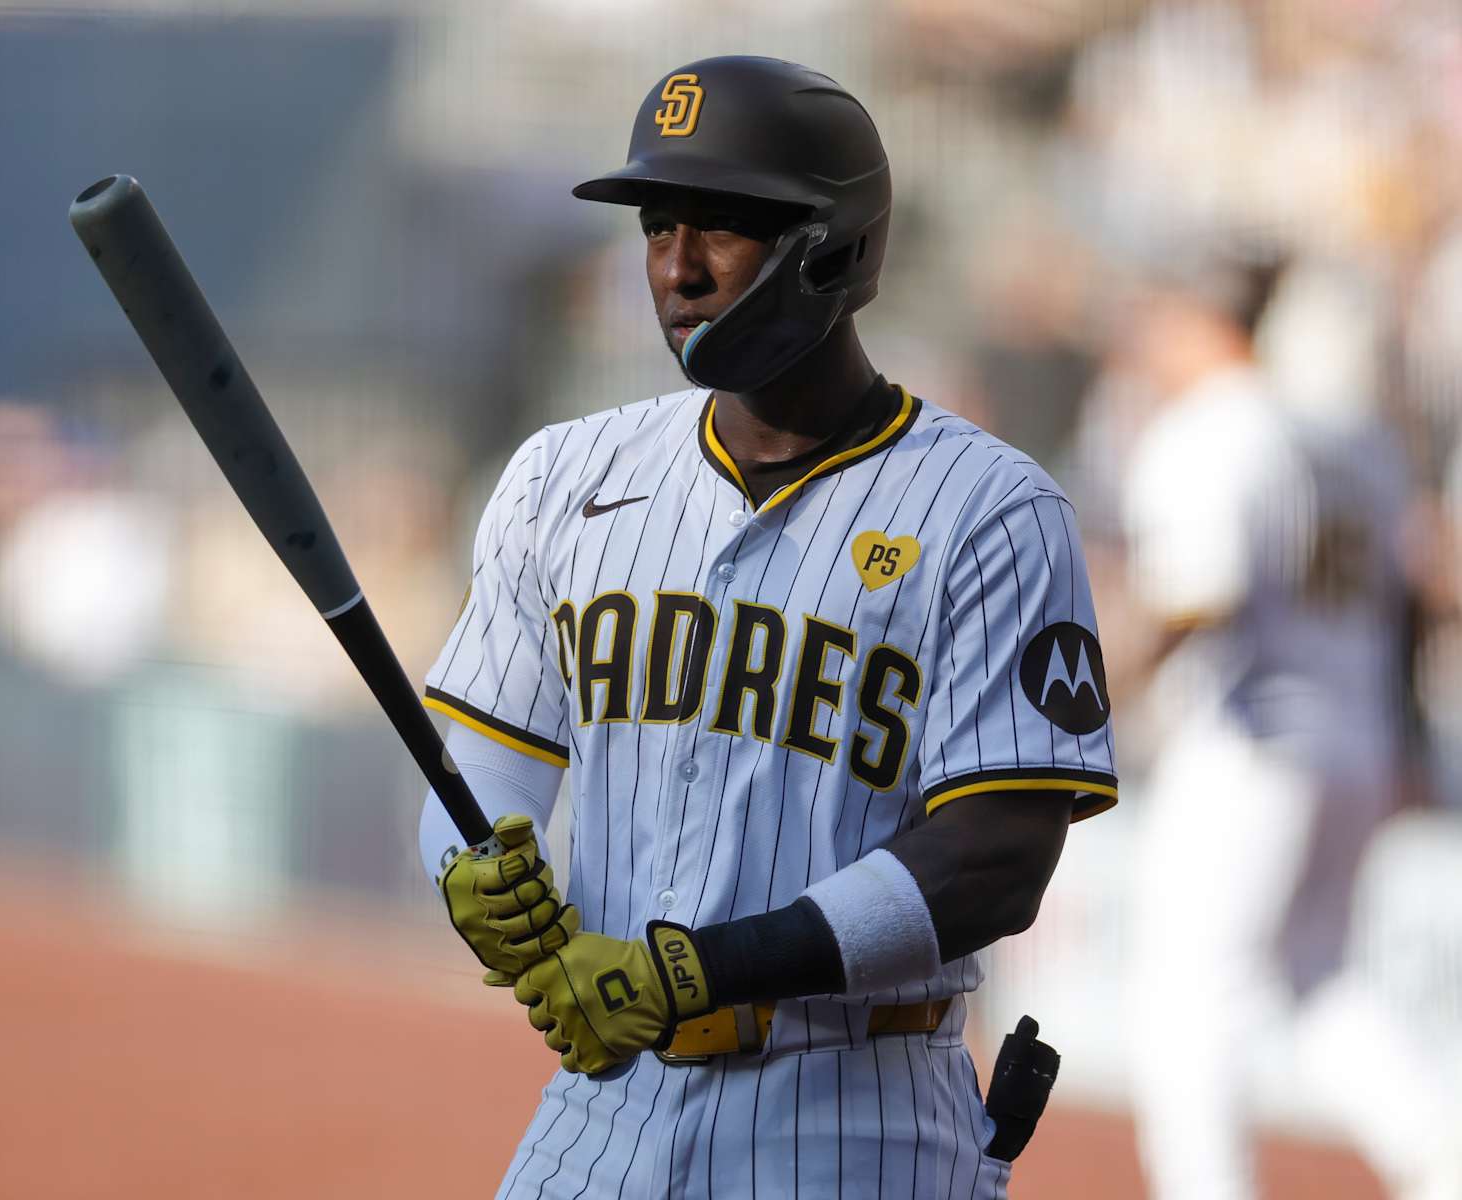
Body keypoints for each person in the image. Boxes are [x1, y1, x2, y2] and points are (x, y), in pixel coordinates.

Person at [419, 56, 1117, 1198]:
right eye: (658, 227)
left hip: (855, 1115)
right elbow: (484, 762)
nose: (676, 269)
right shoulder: (563, 475)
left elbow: (997, 859)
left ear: (832, 249)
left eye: (722, 230)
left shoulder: (993, 511)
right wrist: (475, 866)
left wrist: (700, 972)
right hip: (602, 1112)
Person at [1119, 254, 1462, 1200]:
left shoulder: (1222, 428)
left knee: (1187, 1002)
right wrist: (1408, 744)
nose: (1149, 341)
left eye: (1164, 318)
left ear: (1212, 324)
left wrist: (1083, 710)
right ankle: (1442, 1147)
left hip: (1250, 745)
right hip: (1351, 743)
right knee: (1317, 979)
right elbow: (1413, 608)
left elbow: (1199, 593)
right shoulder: (1366, 444)